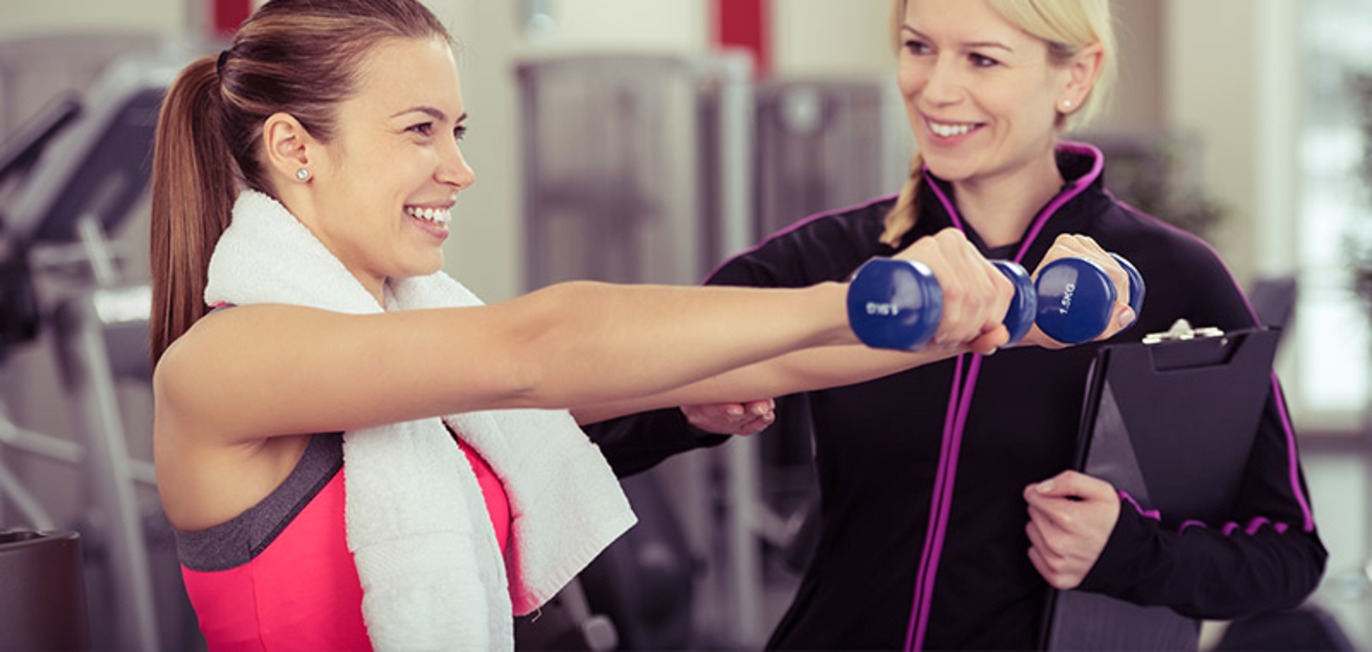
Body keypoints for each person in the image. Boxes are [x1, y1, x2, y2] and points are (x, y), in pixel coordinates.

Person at [148, 1, 1139, 649]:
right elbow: (537, 349)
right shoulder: (227, 358)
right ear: (295, 148)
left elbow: (773, 362)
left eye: (458, 130)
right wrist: (857, 295)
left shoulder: (415, 348)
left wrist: (997, 316)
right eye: (420, 130)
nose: (459, 168)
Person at [581, 0, 1329, 649]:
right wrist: (689, 409)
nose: (935, 88)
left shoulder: (1174, 278)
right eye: (918, 47)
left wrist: (1131, 552)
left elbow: (1288, 554)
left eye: (982, 58)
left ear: (1074, 75)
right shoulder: (831, 260)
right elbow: (587, 426)